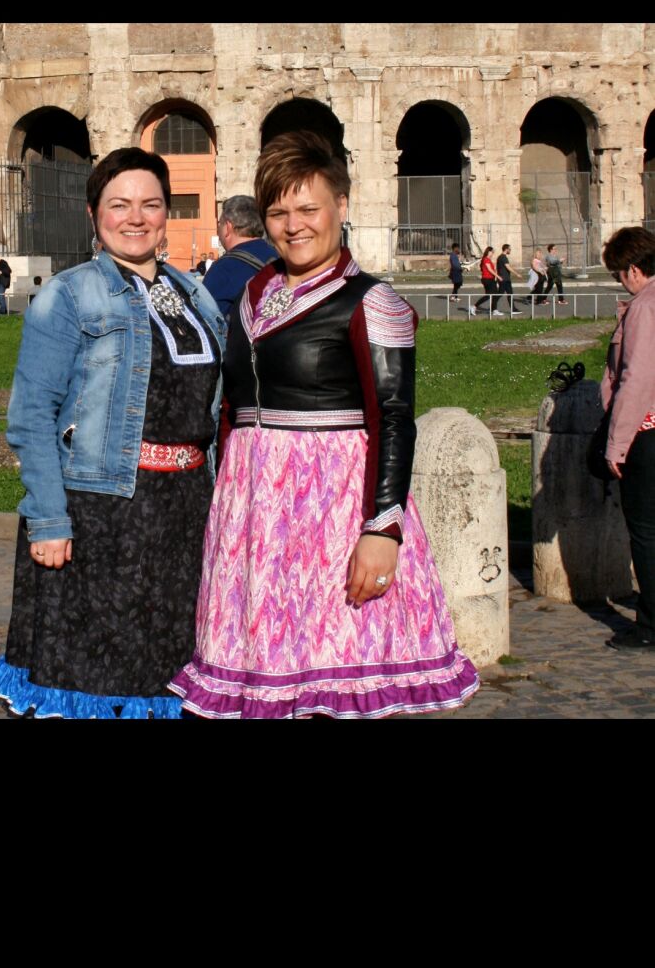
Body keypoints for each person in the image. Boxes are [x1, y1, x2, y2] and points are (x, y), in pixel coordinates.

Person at [169, 129, 479, 719]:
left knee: (333, 685)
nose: (294, 225)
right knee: (265, 685)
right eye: (278, 212)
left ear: (341, 205)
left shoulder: (371, 300)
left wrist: (381, 530)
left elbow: (394, 417)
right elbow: (232, 407)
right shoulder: (253, 291)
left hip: (331, 514)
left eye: (308, 208)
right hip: (254, 517)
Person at [0, 146, 227, 719]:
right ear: (95, 213)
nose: (136, 218)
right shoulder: (67, 296)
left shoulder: (197, 295)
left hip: (185, 512)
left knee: (171, 680)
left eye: (150, 204)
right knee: (95, 682)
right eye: (120, 205)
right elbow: (30, 415)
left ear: (167, 213)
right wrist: (48, 519)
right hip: (101, 514)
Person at [600, 227, 655, 651]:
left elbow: (635, 380)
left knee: (647, 533)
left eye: (620, 273)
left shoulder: (644, 307)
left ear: (634, 269)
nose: (621, 280)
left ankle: (650, 626)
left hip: (647, 435)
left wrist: (616, 445)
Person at [202, 195, 279, 320]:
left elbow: (207, 323)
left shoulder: (223, 269)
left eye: (219, 224)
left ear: (228, 227)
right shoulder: (279, 257)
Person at [471, 246, 502, 317]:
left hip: (491, 279)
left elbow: (492, 269)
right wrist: (498, 276)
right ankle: (474, 306)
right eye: (492, 252)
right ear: (488, 252)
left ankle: (494, 310)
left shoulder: (488, 260)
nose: (492, 254)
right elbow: (489, 269)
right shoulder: (486, 259)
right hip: (487, 279)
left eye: (493, 252)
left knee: (495, 294)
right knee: (489, 295)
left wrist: (495, 274)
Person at [496, 243, 520, 315]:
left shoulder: (500, 257)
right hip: (504, 279)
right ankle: (493, 307)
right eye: (509, 249)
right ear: (506, 249)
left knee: (510, 294)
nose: (510, 250)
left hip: (505, 279)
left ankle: (513, 309)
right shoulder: (503, 257)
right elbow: (508, 267)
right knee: (500, 294)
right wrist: (517, 274)